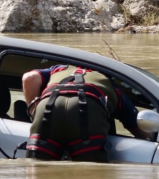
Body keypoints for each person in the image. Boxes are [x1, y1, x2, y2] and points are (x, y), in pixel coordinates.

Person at [22, 65, 152, 163]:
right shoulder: (108, 81)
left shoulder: (59, 69)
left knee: (39, 174)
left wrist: (35, 115)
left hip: (47, 107)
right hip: (88, 111)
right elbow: (141, 129)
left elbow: (29, 78)